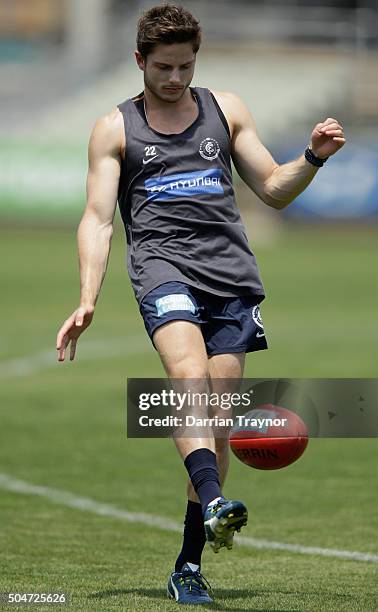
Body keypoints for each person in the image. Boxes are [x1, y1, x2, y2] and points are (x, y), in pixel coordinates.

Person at [56, 3, 345, 606]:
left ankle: (189, 562)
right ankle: (215, 501)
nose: (176, 79)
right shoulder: (115, 129)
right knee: (186, 377)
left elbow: (272, 189)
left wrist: (312, 157)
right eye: (163, 67)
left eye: (186, 66)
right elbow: (98, 218)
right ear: (140, 61)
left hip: (233, 278)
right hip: (162, 268)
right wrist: (87, 297)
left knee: (216, 416)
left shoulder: (226, 110)